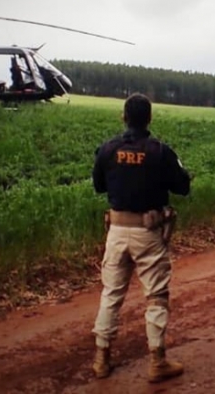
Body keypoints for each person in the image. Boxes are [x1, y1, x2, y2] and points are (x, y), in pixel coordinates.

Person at [91, 93, 191, 383]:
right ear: (149, 118)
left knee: (111, 294)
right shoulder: (160, 151)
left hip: (117, 232)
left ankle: (101, 359)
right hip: (148, 232)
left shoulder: (108, 149)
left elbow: (98, 186)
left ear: (124, 117)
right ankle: (158, 362)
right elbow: (183, 186)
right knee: (156, 296)